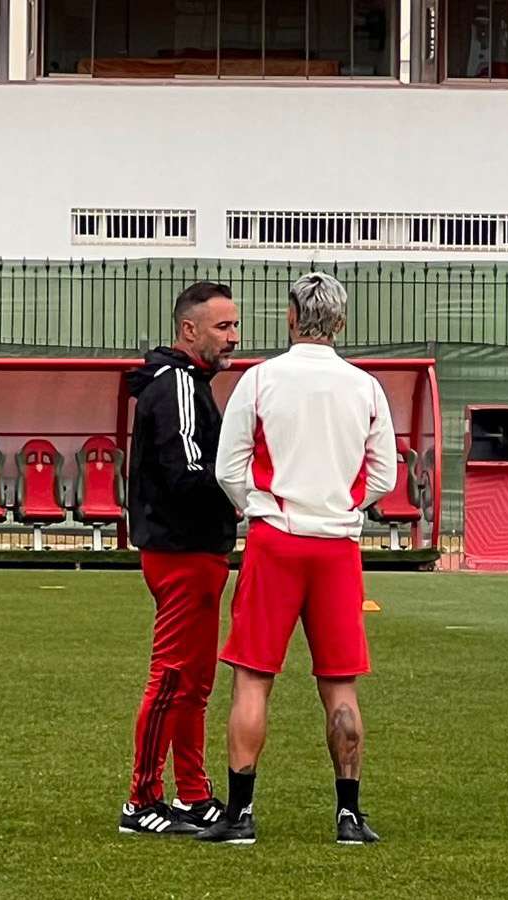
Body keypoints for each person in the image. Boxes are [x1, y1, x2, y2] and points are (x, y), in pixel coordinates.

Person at [198, 272, 396, 847]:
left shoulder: (259, 381)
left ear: (291, 317)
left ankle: (241, 814)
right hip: (336, 547)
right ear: (340, 321)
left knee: (253, 679)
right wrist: (345, 506)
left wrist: (257, 506)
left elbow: (227, 468)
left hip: (275, 540)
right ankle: (350, 816)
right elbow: (383, 473)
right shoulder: (365, 388)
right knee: (340, 686)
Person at [117, 281, 241, 836]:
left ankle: (193, 793)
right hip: (181, 550)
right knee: (171, 678)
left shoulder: (189, 385)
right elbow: (189, 471)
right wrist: (245, 495)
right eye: (223, 326)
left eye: (235, 325)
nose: (233, 337)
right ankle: (141, 799)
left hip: (196, 549)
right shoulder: (178, 387)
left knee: (194, 681)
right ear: (189, 330)